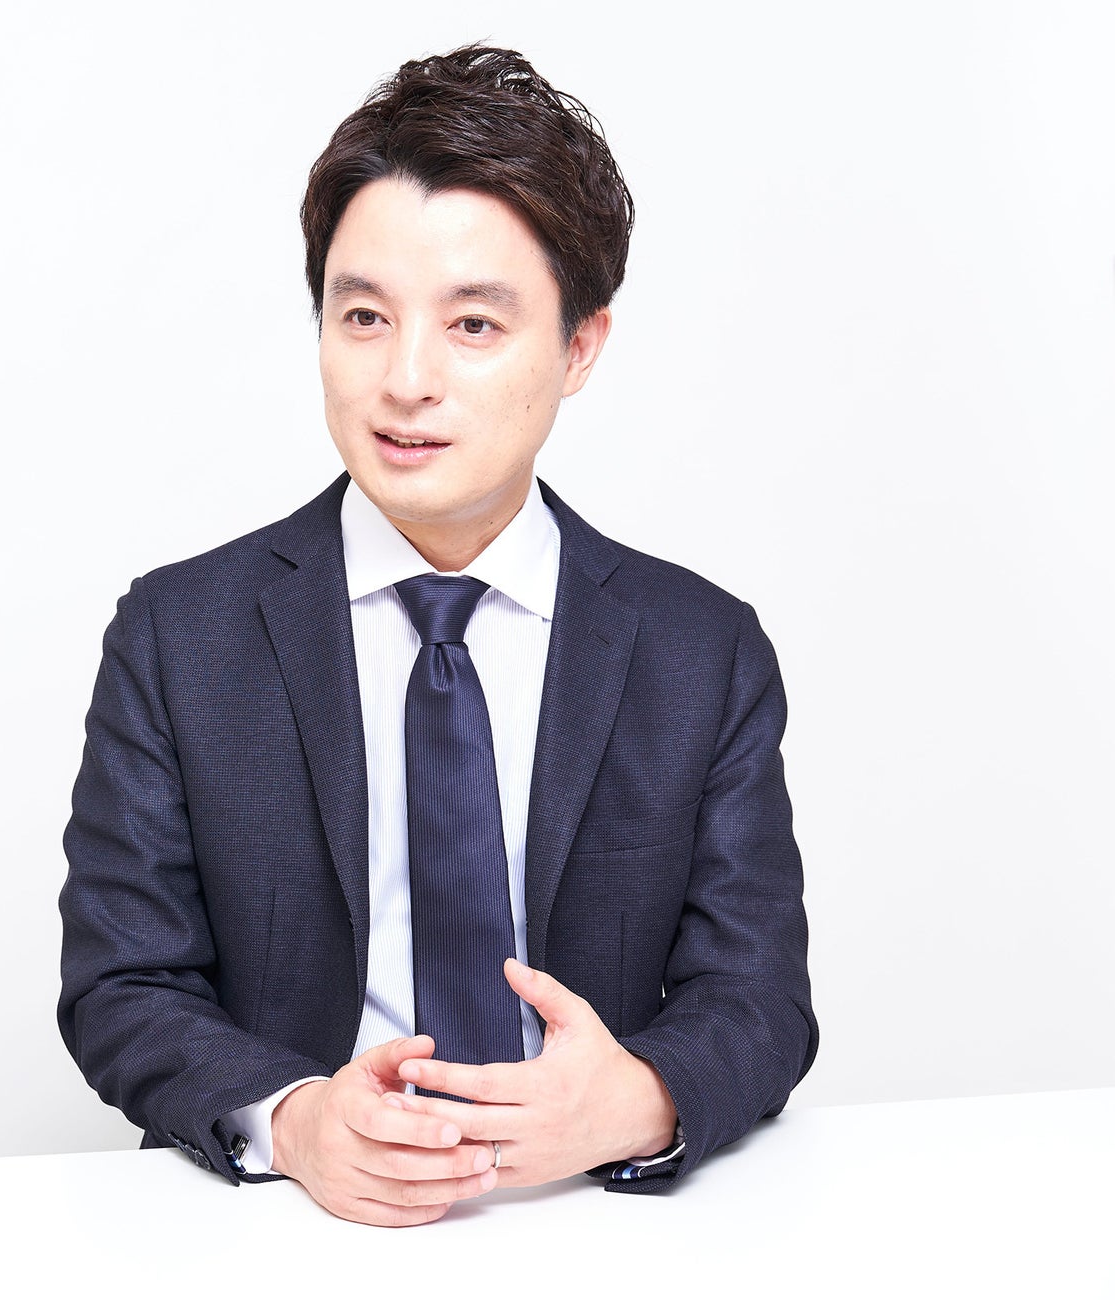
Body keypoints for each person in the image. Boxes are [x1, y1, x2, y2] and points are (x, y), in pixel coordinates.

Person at [56, 43, 816, 1228]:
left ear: (579, 347)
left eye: (472, 324)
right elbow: (122, 982)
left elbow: (758, 995)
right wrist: (293, 1119)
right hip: (295, 1230)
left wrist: (635, 1099)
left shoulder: (699, 653)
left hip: (600, 1223)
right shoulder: (178, 637)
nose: (405, 380)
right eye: (364, 316)